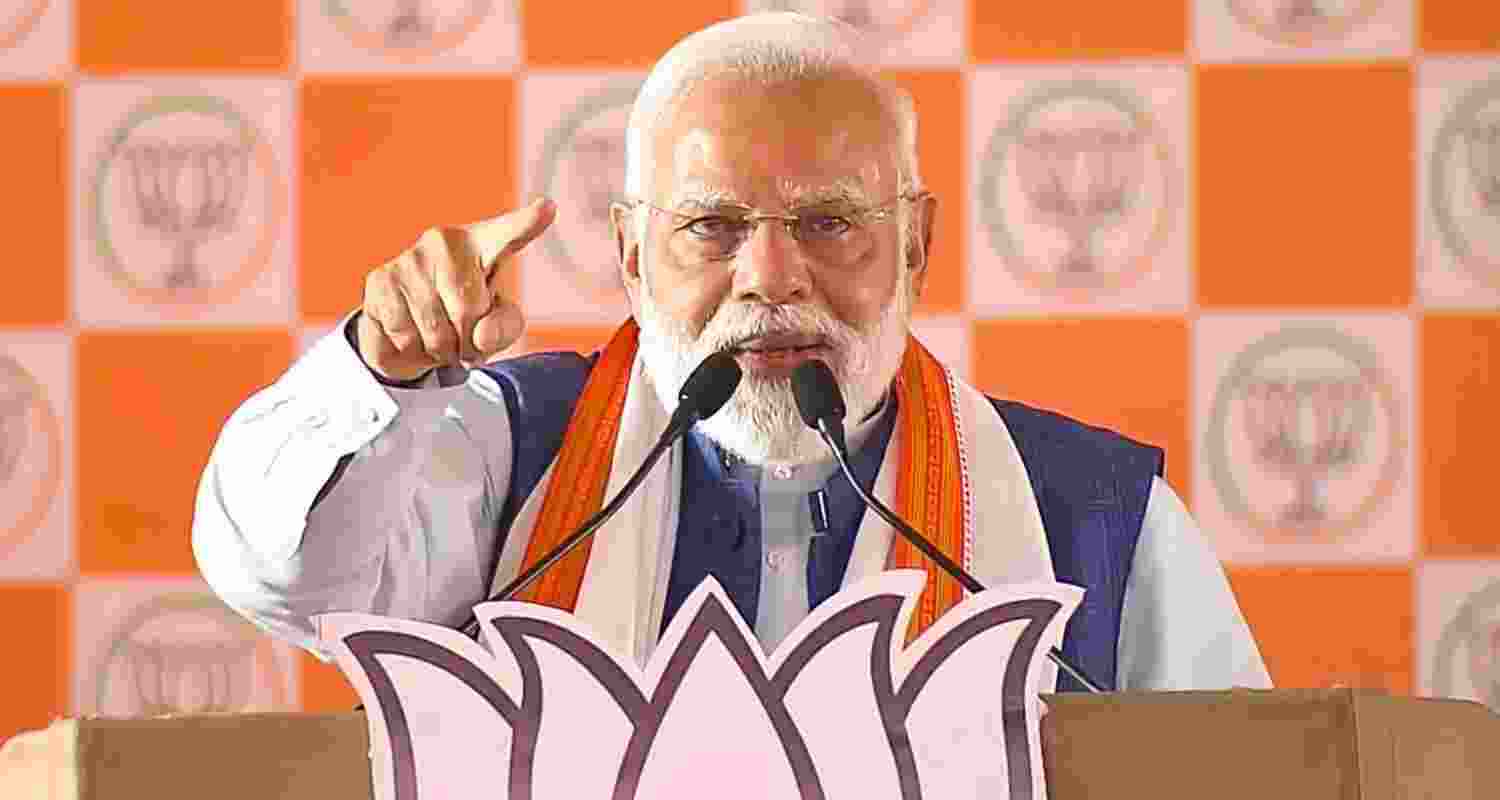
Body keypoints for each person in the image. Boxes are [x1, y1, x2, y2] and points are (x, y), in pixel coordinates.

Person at [192, 12, 1270, 693]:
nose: (768, 276)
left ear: (918, 246)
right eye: (711, 227)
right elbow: (288, 578)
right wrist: (380, 368)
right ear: (628, 253)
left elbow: (1244, 779)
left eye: (829, 222)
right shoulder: (507, 447)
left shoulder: (1097, 516)